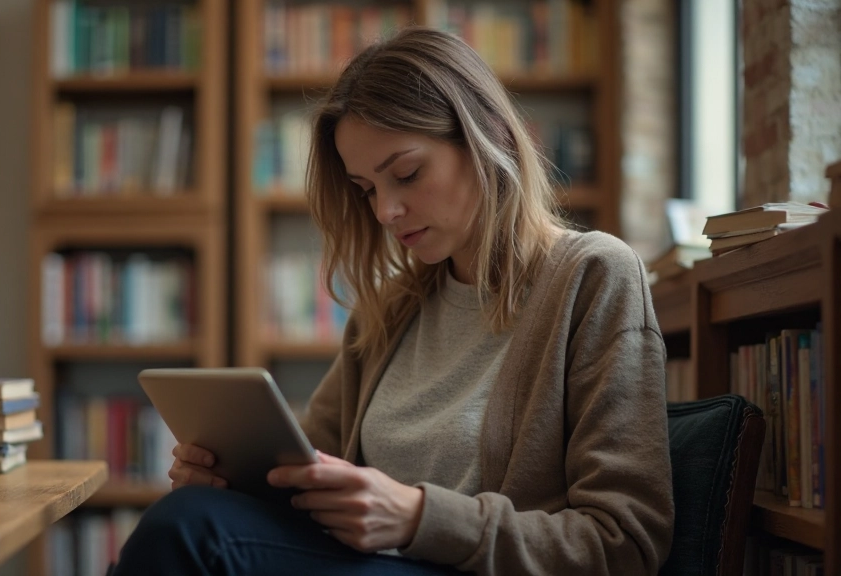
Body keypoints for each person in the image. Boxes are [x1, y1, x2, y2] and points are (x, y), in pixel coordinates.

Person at [114, 26, 673, 576]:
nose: (385, 212)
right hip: (365, 562)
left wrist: (419, 520)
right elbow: (309, 471)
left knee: (189, 530)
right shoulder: (392, 309)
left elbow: (624, 540)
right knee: (192, 514)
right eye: (368, 189)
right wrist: (230, 481)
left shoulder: (593, 275)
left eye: (406, 174)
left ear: (491, 137)